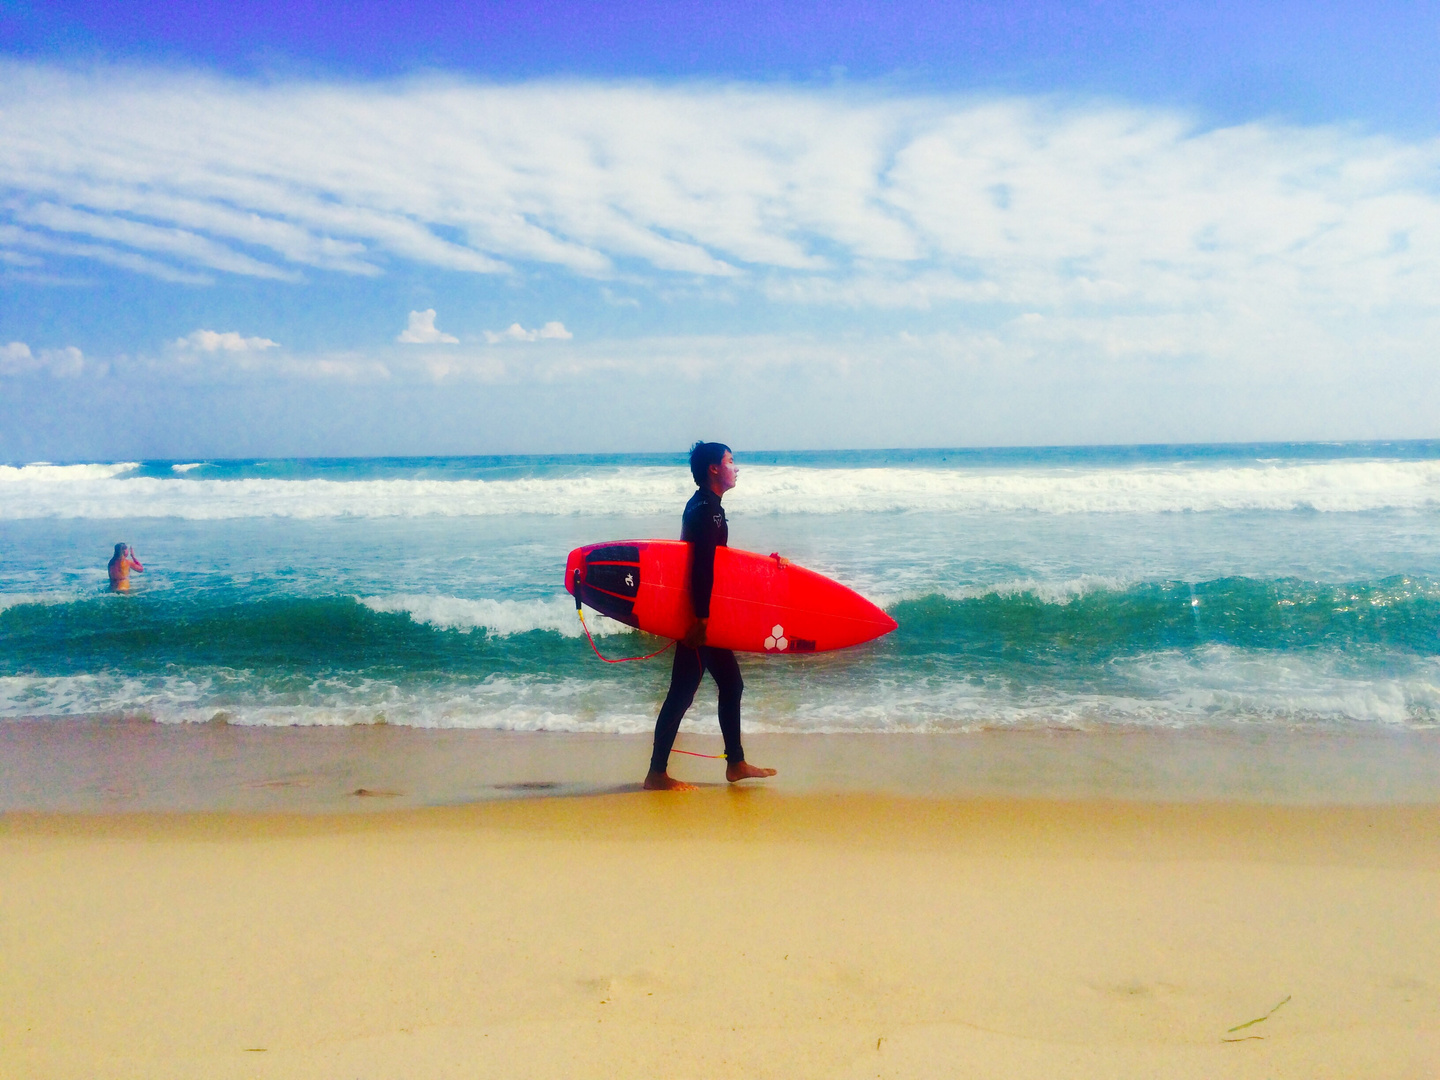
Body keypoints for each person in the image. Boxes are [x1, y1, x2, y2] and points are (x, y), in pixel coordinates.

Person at [644, 442, 778, 791]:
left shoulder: (703, 505)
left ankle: (735, 763)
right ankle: (657, 774)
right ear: (714, 469)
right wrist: (700, 620)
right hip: (699, 617)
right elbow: (702, 567)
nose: (736, 468)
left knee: (730, 684)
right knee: (682, 693)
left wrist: (769, 568)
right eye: (731, 462)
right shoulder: (709, 512)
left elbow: (720, 564)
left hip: (702, 613)